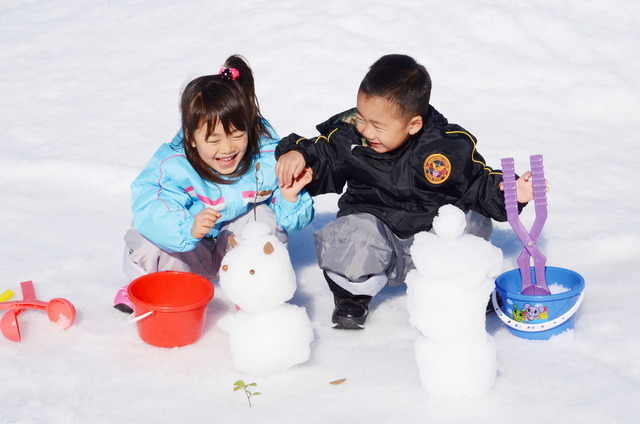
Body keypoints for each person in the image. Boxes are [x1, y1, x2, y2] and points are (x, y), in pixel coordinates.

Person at [275, 54, 545, 329]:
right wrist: (298, 156)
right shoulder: (350, 137)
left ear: (413, 124)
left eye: (378, 126)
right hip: (375, 241)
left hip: (431, 245)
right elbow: (324, 155)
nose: (367, 131)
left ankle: (465, 288)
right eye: (362, 119)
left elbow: (478, 183)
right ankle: (352, 295)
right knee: (352, 233)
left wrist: (511, 191)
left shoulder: (446, 148)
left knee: (467, 222)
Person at [114, 55, 314, 313]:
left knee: (262, 220)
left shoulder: (265, 155)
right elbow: (150, 205)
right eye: (214, 139)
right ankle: (150, 287)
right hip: (187, 253)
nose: (227, 148)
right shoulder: (173, 165)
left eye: (237, 135)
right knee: (149, 237)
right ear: (191, 138)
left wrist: (288, 199)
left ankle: (254, 291)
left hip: (233, 253)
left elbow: (289, 221)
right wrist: (188, 229)